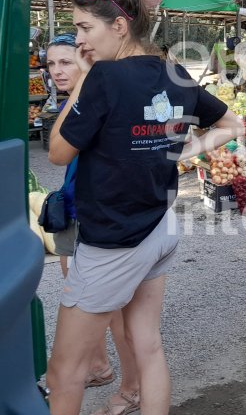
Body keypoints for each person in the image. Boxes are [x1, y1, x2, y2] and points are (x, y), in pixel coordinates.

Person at [46, 0, 243, 415]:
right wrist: (183, 151)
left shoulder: (102, 78)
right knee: (147, 346)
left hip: (114, 239)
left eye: (85, 28)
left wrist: (79, 83)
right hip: (159, 227)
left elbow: (58, 152)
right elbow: (231, 124)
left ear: (119, 25)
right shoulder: (171, 69)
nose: (79, 41)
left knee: (63, 372)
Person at [47, 33, 142, 415]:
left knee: (115, 311)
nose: (56, 71)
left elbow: (59, 153)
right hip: (73, 207)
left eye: (66, 62)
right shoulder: (77, 98)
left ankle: (133, 387)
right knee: (77, 290)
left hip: (102, 217)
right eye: (51, 64)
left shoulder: (98, 99)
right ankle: (99, 367)